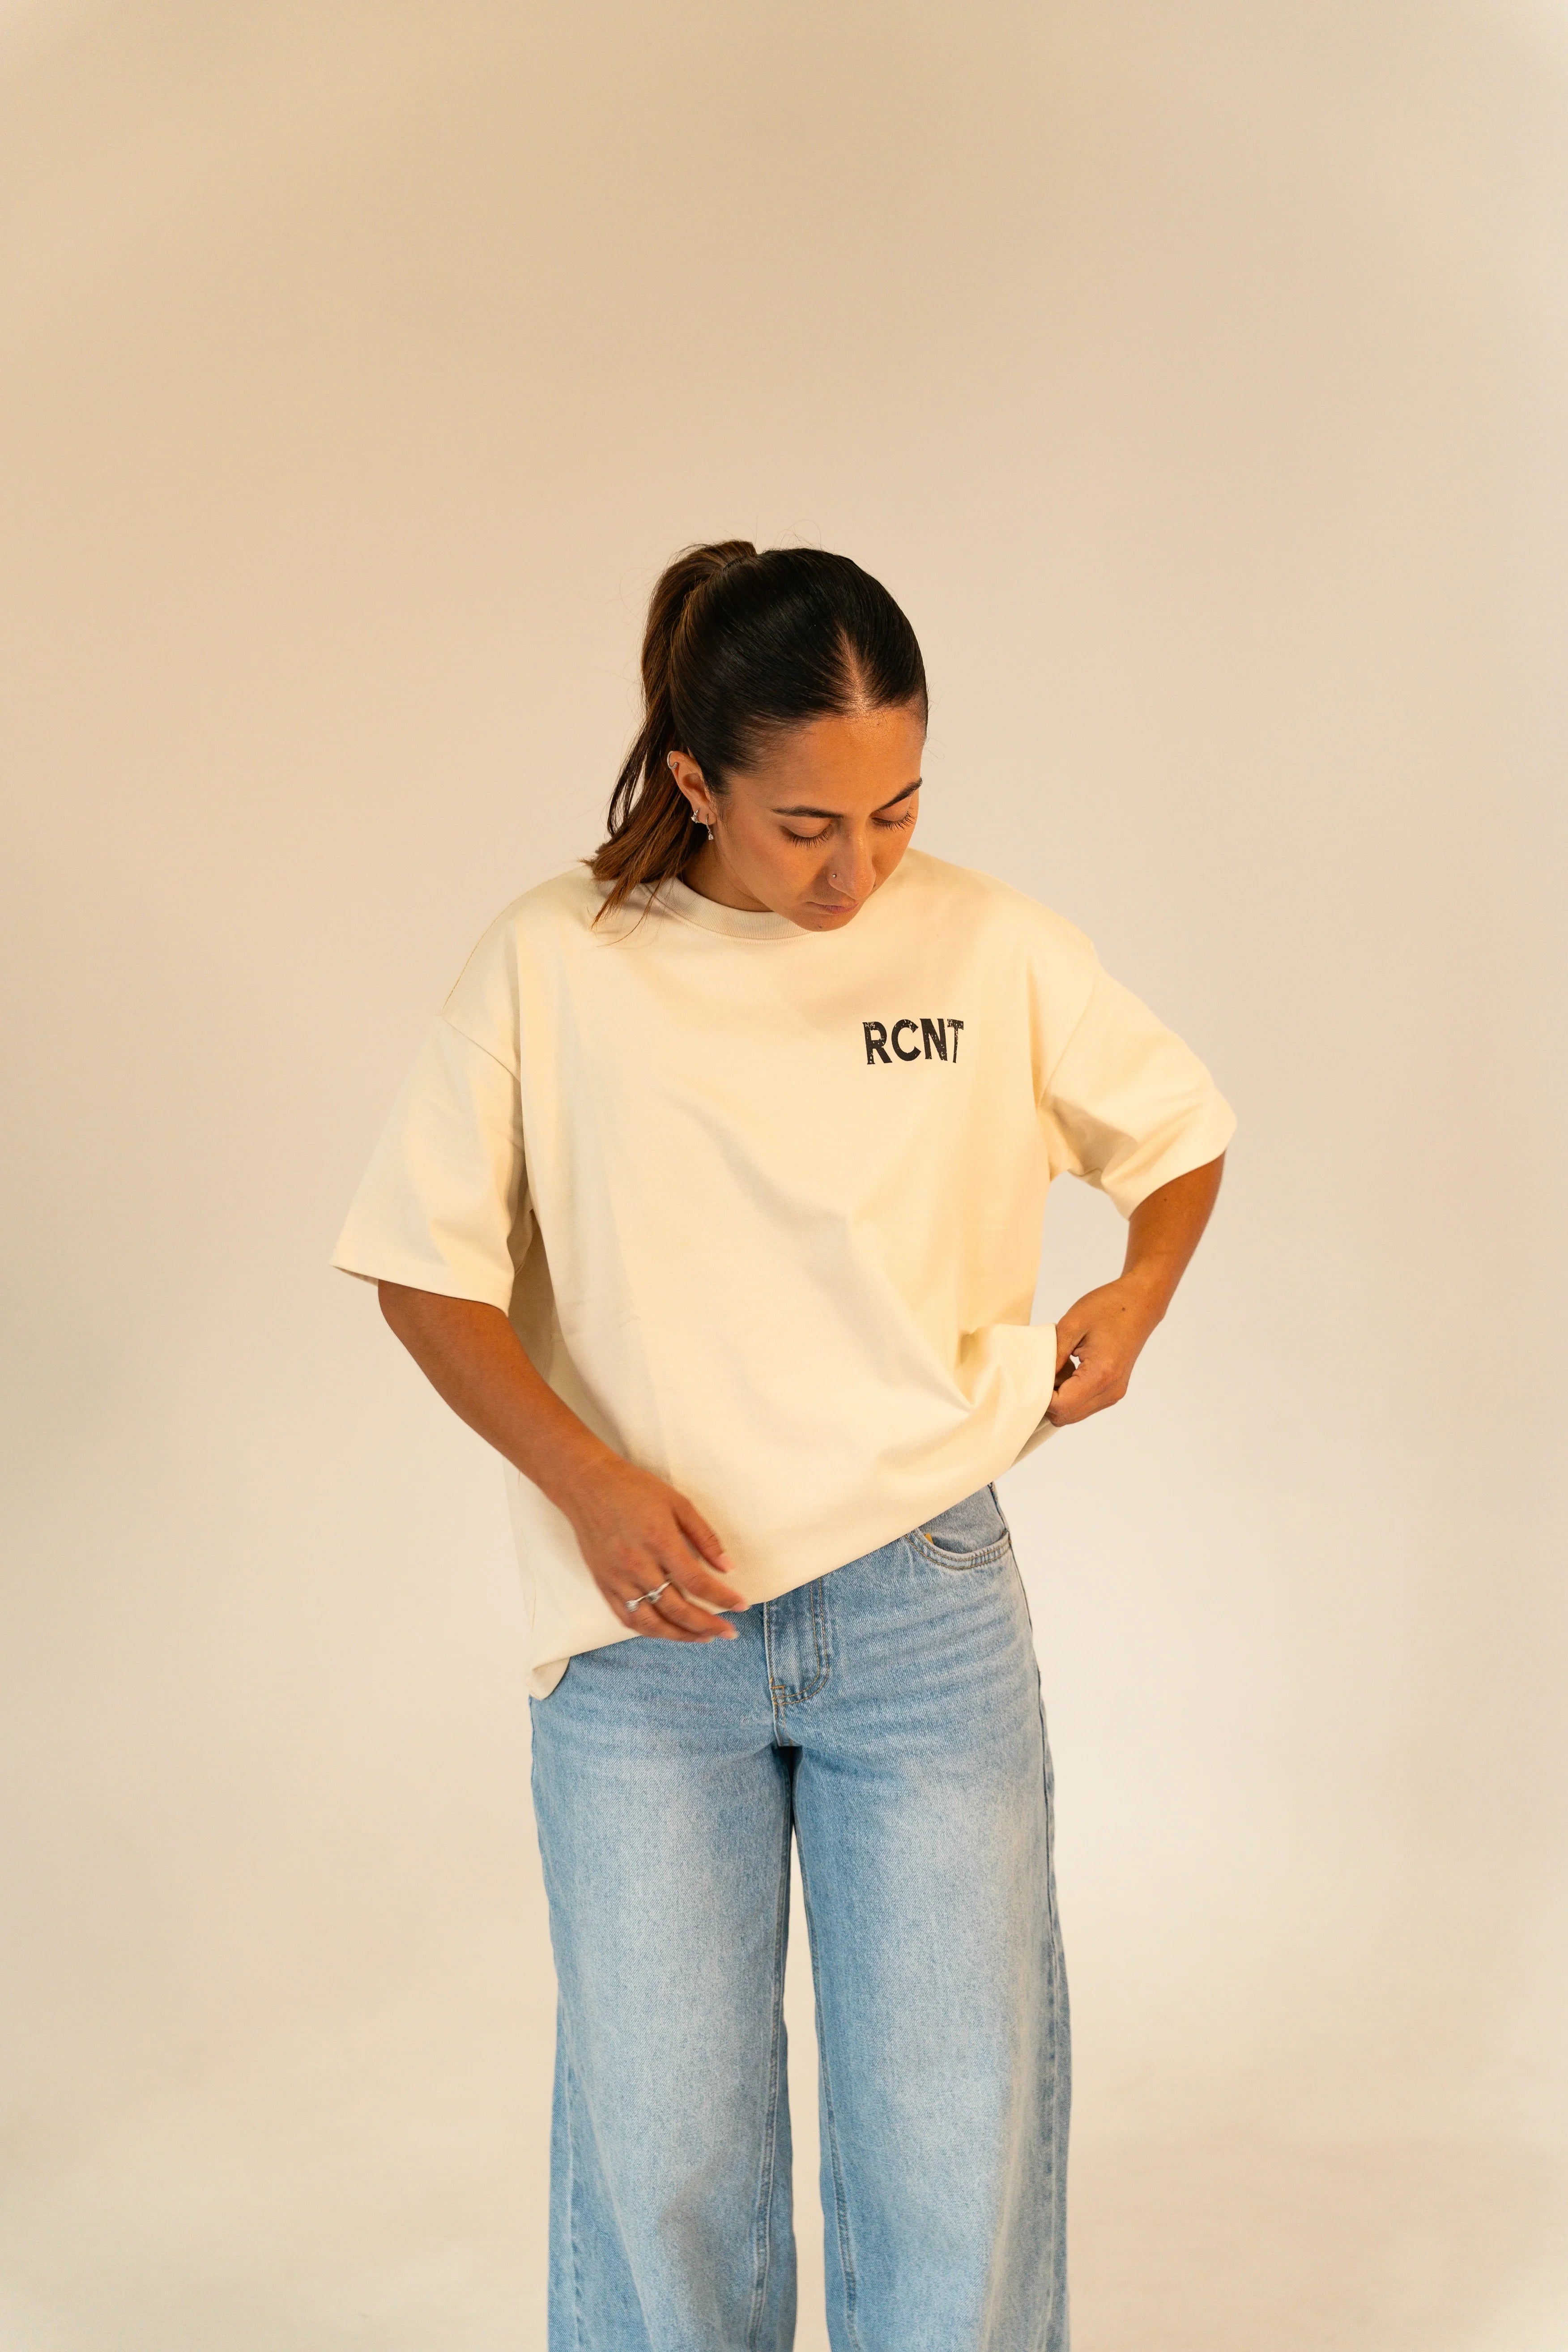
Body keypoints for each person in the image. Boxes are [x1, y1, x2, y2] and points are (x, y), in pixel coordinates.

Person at [332, 541, 1235, 2352]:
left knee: (952, 2150)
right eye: (807, 825)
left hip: (926, 1608)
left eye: (897, 809)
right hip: (647, 1639)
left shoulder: (990, 946)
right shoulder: (553, 964)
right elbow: (424, 1275)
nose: (861, 866)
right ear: (694, 781)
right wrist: (589, 1482)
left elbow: (1177, 1132)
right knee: (664, 2162)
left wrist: (1136, 1293)